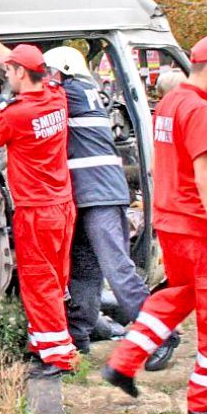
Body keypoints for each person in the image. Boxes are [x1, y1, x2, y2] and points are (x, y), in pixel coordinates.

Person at [103, 34, 207, 414]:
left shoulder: (170, 103)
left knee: (178, 295)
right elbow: (206, 177)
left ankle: (123, 362)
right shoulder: (200, 108)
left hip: (170, 222)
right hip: (199, 228)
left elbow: (157, 166)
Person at [42, 47, 179, 369]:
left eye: (47, 72)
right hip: (90, 195)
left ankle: (161, 336)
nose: (44, 78)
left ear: (62, 71)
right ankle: (79, 335)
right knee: (85, 270)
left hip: (99, 195)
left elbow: (30, 102)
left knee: (117, 270)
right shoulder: (84, 91)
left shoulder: (71, 93)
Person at [0, 20, 79, 376]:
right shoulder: (56, 96)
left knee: (39, 282)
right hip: (62, 204)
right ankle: (44, 342)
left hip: (36, 211)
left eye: (9, 71)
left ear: (21, 74)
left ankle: (59, 356)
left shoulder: (17, 114)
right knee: (55, 279)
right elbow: (24, 63)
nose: (6, 75)